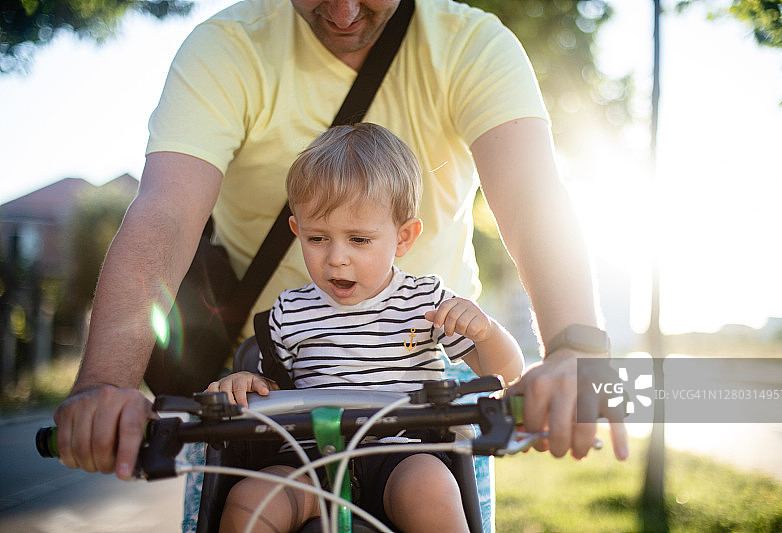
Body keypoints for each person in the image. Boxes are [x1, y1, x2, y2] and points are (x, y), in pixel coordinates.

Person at [53, 0, 628, 485]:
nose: (345, 13)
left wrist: (575, 348)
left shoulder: (470, 44)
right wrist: (107, 382)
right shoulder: (226, 48)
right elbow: (167, 212)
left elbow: (532, 196)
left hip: (430, 399)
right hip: (272, 392)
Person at [206, 123, 524, 532]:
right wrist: (247, 382)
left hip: (404, 457)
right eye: (318, 238)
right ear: (297, 230)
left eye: (358, 239)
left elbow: (506, 373)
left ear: (404, 237)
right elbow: (272, 394)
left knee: (431, 488)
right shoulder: (288, 312)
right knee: (249, 502)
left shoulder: (427, 303)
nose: (336, 258)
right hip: (310, 463)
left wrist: (487, 333)